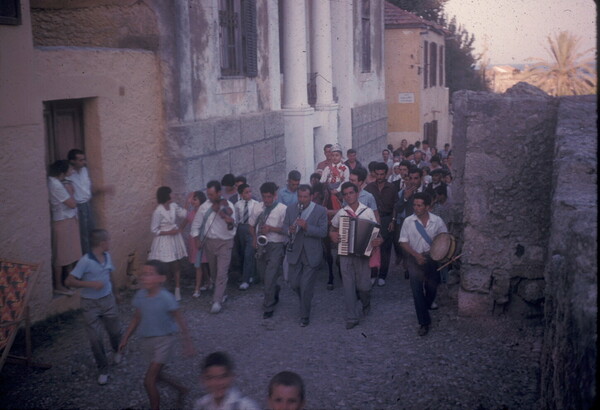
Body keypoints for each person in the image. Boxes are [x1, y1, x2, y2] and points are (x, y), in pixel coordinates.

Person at [119, 260, 195, 410]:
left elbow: (180, 319)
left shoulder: (166, 298)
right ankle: (181, 389)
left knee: (148, 380)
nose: (144, 277)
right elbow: (136, 318)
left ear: (161, 278)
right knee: (157, 376)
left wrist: (188, 343)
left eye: (150, 274)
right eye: (143, 274)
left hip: (164, 341)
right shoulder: (140, 296)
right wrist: (125, 337)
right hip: (147, 341)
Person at [65, 229, 121, 385]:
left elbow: (110, 275)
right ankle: (103, 369)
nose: (110, 243)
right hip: (90, 304)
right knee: (95, 338)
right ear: (102, 243)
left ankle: (117, 350)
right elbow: (69, 281)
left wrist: (116, 293)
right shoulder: (85, 261)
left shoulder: (107, 256)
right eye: (108, 240)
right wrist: (90, 284)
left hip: (108, 300)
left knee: (115, 331)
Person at [330, 182, 382, 329]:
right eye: (345, 194)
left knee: (364, 286)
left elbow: (377, 233)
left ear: (357, 193)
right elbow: (333, 228)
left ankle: (366, 302)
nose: (348, 196)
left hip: (363, 253)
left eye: (351, 193)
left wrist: (379, 240)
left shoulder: (367, 211)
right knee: (348, 286)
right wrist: (333, 236)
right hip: (345, 253)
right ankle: (351, 317)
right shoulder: (341, 213)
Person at [399, 192, 447, 336]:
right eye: (414, 205)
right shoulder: (408, 221)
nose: (416, 208)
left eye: (419, 205)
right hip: (414, 259)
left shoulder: (437, 221)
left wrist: (440, 254)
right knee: (417, 291)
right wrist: (416, 255)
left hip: (432, 258)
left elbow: (444, 239)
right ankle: (424, 323)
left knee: (432, 288)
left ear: (427, 206)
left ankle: (425, 306)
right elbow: (403, 241)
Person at [282, 184, 328, 327]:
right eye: (300, 196)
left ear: (311, 196)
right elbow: (284, 226)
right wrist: (289, 230)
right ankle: (305, 299)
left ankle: (304, 315)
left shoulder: (320, 210)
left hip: (311, 253)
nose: (302, 199)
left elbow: (323, 232)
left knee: (306, 285)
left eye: (305, 197)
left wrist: (307, 227)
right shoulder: (290, 209)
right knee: (294, 284)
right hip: (295, 252)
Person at [191, 180, 237, 314]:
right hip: (209, 243)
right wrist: (196, 239)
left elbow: (233, 228)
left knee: (222, 272)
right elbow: (196, 224)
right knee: (215, 272)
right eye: (208, 195)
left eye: (212, 195)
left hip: (225, 242)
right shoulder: (204, 207)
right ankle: (222, 293)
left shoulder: (229, 206)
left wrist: (228, 220)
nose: (210, 197)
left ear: (219, 193)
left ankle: (217, 301)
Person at [250, 182, 287, 319]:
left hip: (276, 245)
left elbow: (287, 230)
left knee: (270, 276)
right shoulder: (257, 207)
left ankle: (268, 306)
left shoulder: (282, 209)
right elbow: (251, 225)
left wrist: (271, 229)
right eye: (264, 197)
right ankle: (275, 289)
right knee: (263, 276)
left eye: (269, 197)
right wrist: (254, 239)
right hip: (261, 245)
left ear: (275, 196)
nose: (266, 200)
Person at [67, 149, 113, 254]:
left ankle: (93, 255)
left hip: (88, 204)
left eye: (84, 160)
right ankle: (87, 258)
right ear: (72, 161)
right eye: (80, 160)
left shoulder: (84, 171)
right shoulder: (69, 174)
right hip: (78, 206)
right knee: (83, 235)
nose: (84, 162)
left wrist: (103, 189)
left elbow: (88, 189)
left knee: (91, 232)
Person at [48, 159, 81, 295]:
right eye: (70, 169)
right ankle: (58, 285)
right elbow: (72, 204)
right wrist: (71, 191)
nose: (72, 171)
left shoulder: (58, 182)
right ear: (62, 172)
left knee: (70, 252)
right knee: (61, 255)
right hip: (62, 221)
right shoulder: (56, 185)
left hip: (68, 220)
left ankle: (69, 280)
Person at [148, 186, 188, 301]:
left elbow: (183, 214)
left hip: (174, 239)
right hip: (164, 240)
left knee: (176, 264)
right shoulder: (158, 211)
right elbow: (154, 230)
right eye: (171, 193)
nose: (173, 195)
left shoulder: (174, 206)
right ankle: (163, 289)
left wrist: (187, 202)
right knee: (163, 265)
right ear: (166, 195)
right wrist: (170, 231)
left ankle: (177, 289)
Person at [364, 162, 398, 287]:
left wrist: (393, 221)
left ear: (386, 174)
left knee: (385, 249)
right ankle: (373, 273)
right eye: (377, 174)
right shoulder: (369, 188)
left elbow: (396, 205)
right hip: (372, 220)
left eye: (382, 174)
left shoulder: (392, 187)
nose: (379, 177)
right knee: (372, 247)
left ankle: (383, 275)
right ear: (374, 174)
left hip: (387, 219)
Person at [194, 352, 260, 410]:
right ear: (202, 379)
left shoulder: (246, 406)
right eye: (210, 378)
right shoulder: (201, 405)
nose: (216, 383)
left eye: (222, 377)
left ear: (232, 377)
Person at [181, 191, 211, 297]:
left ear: (201, 200)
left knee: (198, 264)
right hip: (193, 241)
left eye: (195, 199)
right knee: (200, 263)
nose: (193, 201)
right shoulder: (192, 212)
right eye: (192, 199)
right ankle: (208, 282)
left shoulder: (204, 212)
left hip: (201, 240)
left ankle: (197, 289)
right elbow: (184, 221)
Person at [235, 183, 260, 290]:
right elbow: (236, 219)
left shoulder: (255, 204)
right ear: (241, 194)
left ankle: (245, 280)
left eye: (250, 192)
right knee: (243, 253)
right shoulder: (237, 205)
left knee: (249, 253)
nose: (249, 194)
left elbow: (258, 218)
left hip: (251, 228)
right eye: (246, 192)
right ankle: (251, 275)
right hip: (241, 229)